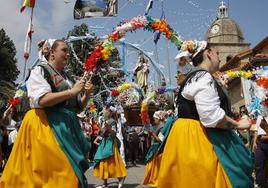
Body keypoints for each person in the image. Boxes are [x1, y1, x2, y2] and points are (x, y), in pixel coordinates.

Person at [158, 41, 253, 188]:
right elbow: (211, 116)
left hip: (186, 137)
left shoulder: (193, 77)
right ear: (208, 53)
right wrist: (239, 124)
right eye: (217, 53)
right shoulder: (203, 77)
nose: (219, 58)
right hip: (199, 140)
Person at [0, 39, 92, 188]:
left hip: (66, 127)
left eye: (68, 51)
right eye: (64, 50)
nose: (68, 54)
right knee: (57, 174)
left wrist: (86, 94)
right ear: (52, 53)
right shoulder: (40, 70)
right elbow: (42, 100)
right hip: (45, 125)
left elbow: (77, 108)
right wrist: (71, 92)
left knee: (69, 174)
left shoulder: (68, 78)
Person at [93, 105, 127, 188]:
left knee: (114, 162)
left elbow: (114, 134)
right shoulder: (106, 121)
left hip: (111, 143)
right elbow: (102, 133)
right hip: (104, 143)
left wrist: (109, 129)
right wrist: (100, 128)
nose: (104, 111)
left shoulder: (113, 121)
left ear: (111, 112)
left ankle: (121, 179)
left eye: (106, 110)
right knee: (103, 163)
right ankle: (105, 184)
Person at [142, 110, 174, 187]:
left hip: (158, 149)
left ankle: (157, 181)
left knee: (157, 167)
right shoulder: (160, 126)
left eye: (155, 119)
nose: (154, 120)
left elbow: (160, 140)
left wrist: (152, 134)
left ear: (159, 119)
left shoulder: (163, 127)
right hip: (156, 148)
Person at [253, 115, 268, 188]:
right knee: (258, 163)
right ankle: (261, 184)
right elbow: (256, 129)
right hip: (259, 142)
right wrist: (254, 142)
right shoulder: (260, 115)